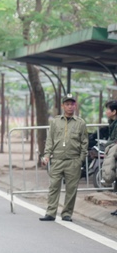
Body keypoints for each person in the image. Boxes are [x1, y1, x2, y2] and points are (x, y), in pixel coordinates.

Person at [40, 94, 87, 222]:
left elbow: (84, 142)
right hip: (57, 159)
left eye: (72, 104)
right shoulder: (55, 121)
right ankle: (50, 212)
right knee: (54, 186)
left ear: (75, 105)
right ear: (63, 106)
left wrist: (80, 159)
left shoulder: (80, 123)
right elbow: (50, 140)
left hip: (73, 160)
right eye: (67, 104)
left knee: (71, 189)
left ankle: (67, 214)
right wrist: (47, 155)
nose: (70, 106)